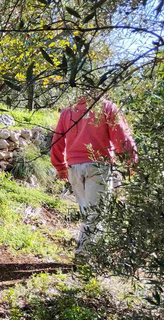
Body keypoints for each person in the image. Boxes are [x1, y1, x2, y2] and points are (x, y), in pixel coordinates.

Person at [51, 96, 138, 256]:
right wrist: (131, 161)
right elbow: (121, 137)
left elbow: (57, 140)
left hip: (74, 168)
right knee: (96, 214)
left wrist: (60, 167)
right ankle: (85, 257)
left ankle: (88, 255)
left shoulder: (69, 110)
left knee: (89, 214)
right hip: (98, 167)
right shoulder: (107, 108)